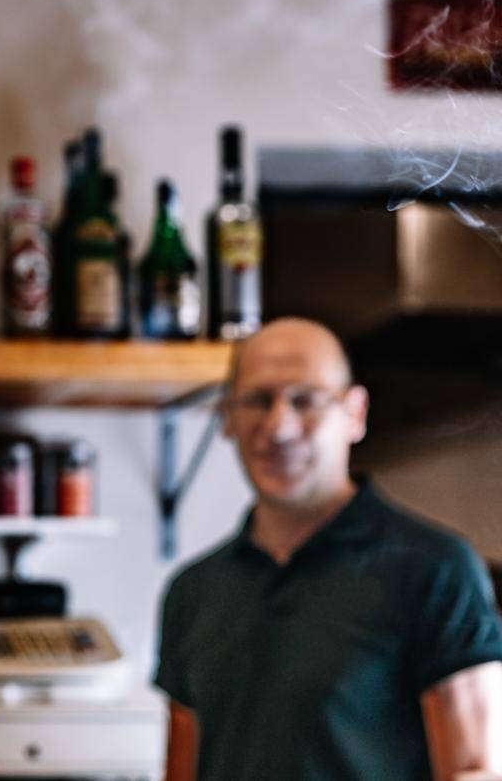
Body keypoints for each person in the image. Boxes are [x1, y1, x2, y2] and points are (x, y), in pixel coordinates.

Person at [155, 317, 502, 780]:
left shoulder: (435, 570)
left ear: (354, 414)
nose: (278, 426)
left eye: (306, 400)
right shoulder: (192, 592)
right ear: (228, 419)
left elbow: (473, 771)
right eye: (258, 400)